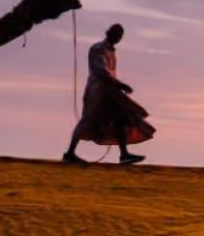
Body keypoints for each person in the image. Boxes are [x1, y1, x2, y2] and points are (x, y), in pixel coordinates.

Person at [64, 23, 156, 165]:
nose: (117, 38)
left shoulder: (111, 52)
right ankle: (70, 153)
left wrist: (117, 86)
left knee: (120, 118)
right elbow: (101, 72)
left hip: (110, 92)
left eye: (119, 36)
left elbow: (109, 74)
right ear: (109, 33)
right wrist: (119, 84)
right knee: (88, 120)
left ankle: (124, 154)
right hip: (98, 91)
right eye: (116, 34)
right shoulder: (98, 49)